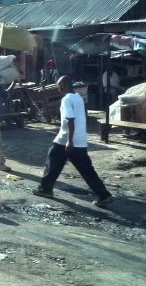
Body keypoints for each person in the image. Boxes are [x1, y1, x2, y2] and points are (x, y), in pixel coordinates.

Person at [33, 75, 113, 207]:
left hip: (67, 140)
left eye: (59, 85)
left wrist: (70, 141)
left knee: (53, 160)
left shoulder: (66, 99)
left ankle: (45, 189)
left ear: (65, 84)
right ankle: (104, 195)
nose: (58, 88)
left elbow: (70, 120)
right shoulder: (78, 97)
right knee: (85, 170)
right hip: (78, 140)